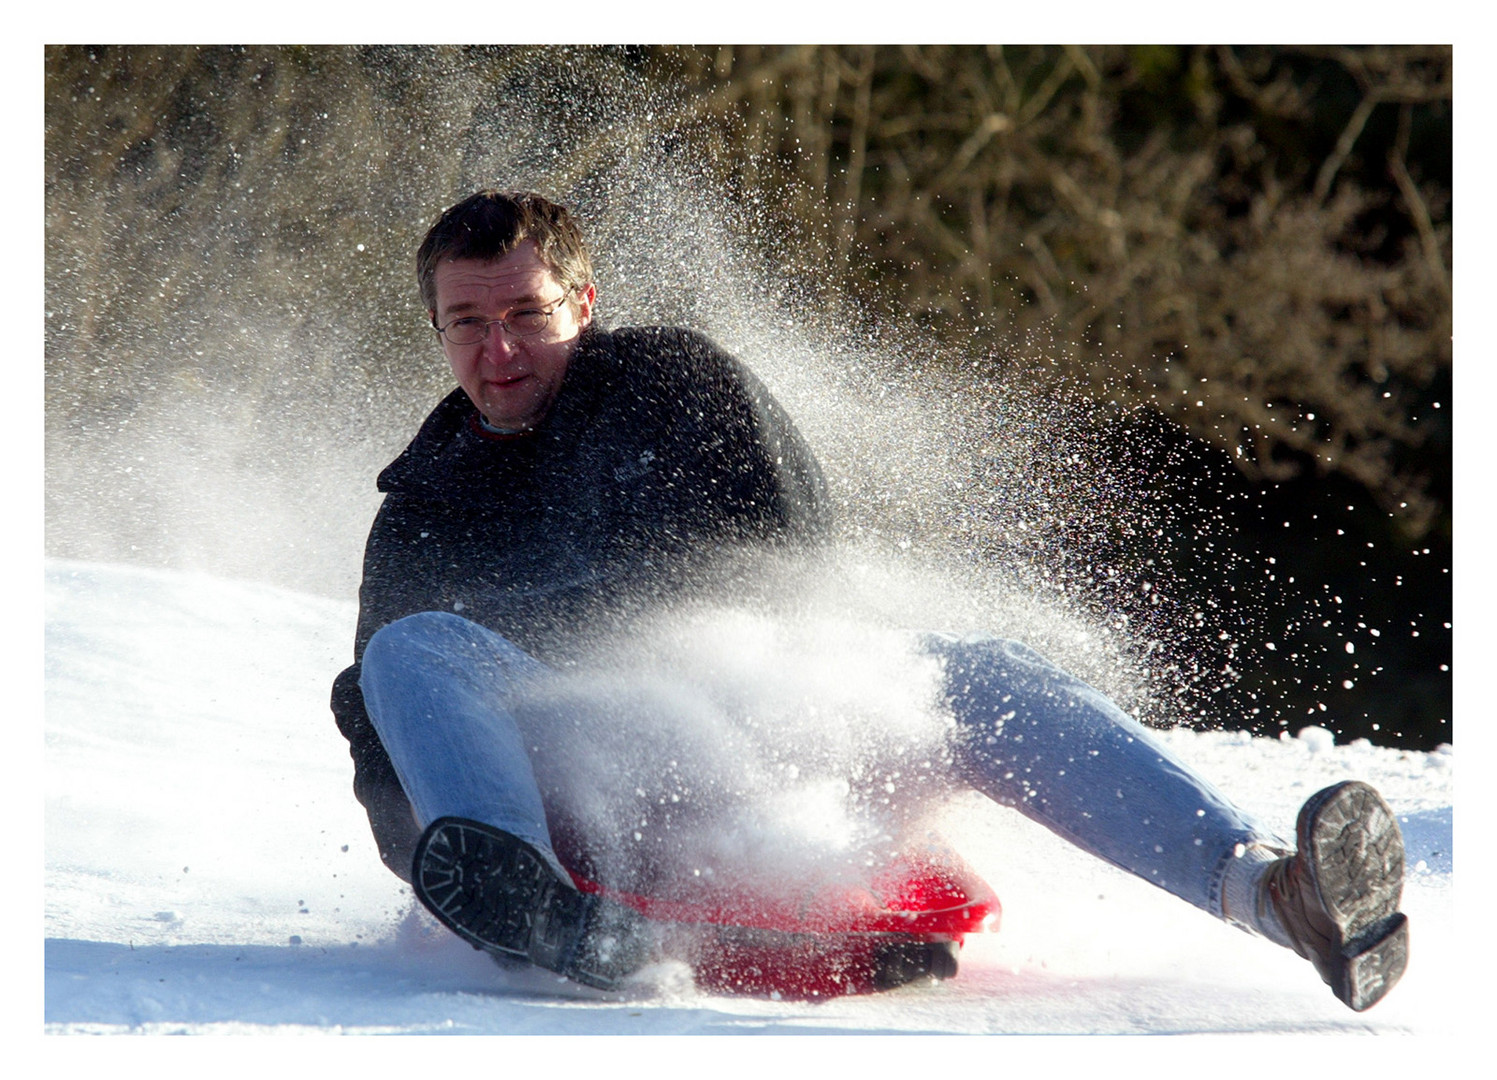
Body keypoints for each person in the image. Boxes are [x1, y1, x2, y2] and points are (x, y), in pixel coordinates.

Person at [331, 189, 1409, 1010]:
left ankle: (1273, 894)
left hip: (763, 728)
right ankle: (523, 894)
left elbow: (798, 559)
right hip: (581, 799)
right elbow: (388, 727)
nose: (500, 350)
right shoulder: (424, 504)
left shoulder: (676, 386)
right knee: (411, 649)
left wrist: (740, 667)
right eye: (467, 323)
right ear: (435, 328)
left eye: (529, 313)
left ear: (586, 306)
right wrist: (438, 869)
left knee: (977, 673)